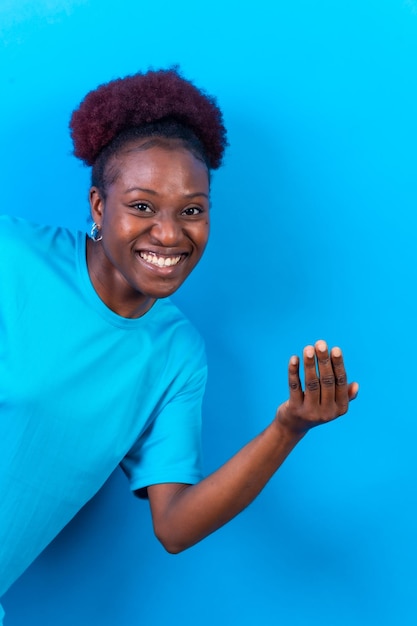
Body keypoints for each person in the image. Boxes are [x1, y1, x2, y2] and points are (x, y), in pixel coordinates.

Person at [0, 67, 358, 623]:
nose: (170, 234)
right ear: (99, 207)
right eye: (141, 205)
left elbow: (175, 525)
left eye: (192, 209)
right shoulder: (11, 258)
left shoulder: (176, 354)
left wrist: (289, 428)